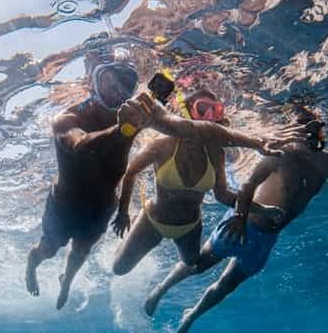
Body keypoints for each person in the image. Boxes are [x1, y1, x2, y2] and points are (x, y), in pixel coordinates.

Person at [25, 56, 294, 310]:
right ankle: (32, 264)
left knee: (81, 253)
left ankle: (67, 282)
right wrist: (123, 132)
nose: (117, 92)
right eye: (107, 82)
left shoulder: (144, 117)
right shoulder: (72, 119)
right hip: (79, 207)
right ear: (91, 83)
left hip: (121, 211)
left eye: (125, 84)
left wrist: (258, 192)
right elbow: (83, 148)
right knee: (56, 252)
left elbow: (208, 155)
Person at [143, 109, 328, 333]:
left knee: (226, 286)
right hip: (244, 224)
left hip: (267, 240)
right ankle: (161, 289)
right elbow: (248, 185)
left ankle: (191, 316)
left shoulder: (327, 162)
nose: (309, 133)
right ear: (294, 129)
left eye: (314, 127)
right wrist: (239, 217)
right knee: (199, 264)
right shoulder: (280, 154)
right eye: (303, 127)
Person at [112, 89, 284, 279]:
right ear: (186, 110)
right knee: (119, 269)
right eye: (202, 108)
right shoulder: (163, 144)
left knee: (191, 262)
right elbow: (131, 172)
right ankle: (136, 218)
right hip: (153, 221)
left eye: (215, 110)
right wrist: (123, 211)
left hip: (189, 227)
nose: (209, 116)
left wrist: (263, 210)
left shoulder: (216, 153)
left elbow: (223, 195)